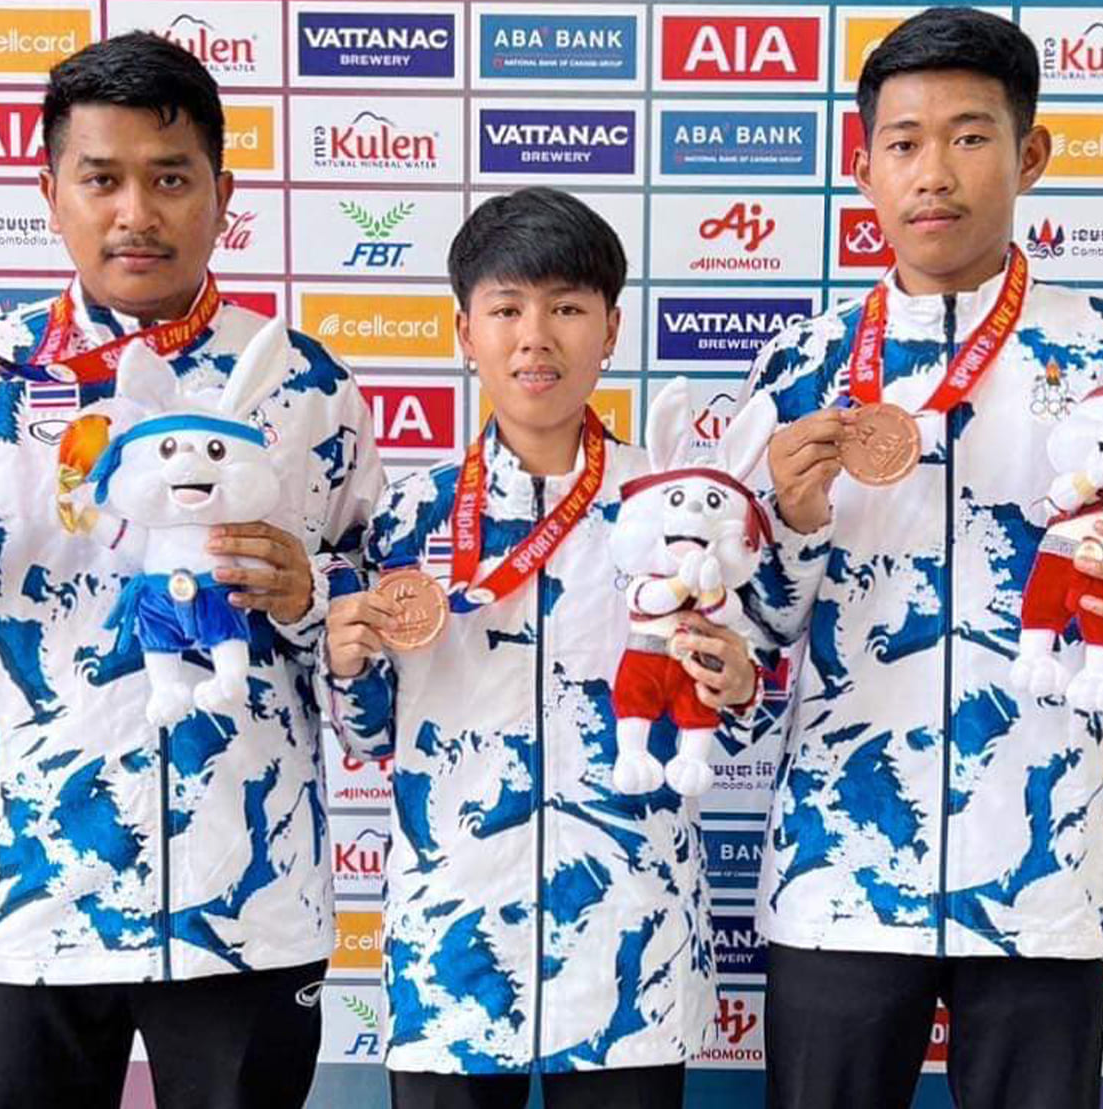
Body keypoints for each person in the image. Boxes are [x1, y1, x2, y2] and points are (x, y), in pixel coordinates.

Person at [0, 32, 382, 1109]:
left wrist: (312, 595)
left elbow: (377, 645)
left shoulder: (305, 385)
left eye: (171, 178)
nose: (137, 212)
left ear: (223, 195)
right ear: (51, 193)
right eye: (102, 179)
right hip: (34, 891)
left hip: (243, 900)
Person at [741, 9, 1103, 1109]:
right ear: (863, 168)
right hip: (842, 864)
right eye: (903, 142)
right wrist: (789, 526)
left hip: (1050, 856)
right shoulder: (801, 365)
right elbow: (743, 632)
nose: (933, 172)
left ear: (1029, 155)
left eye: (969, 136)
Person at [319, 187, 810, 1109]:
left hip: (629, 936)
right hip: (451, 938)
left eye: (567, 308)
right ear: (464, 332)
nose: (534, 337)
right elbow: (367, 735)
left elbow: (744, 718)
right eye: (506, 309)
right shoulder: (407, 515)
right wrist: (347, 668)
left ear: (611, 328)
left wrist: (741, 683)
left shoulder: (677, 504)